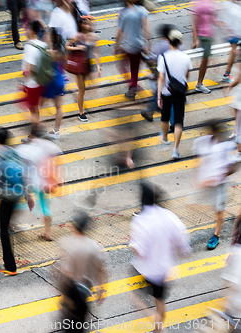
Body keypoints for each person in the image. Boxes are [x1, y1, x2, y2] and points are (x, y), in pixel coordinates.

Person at [130, 183, 191, 332]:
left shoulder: (140, 221)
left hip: (146, 270)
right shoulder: (169, 216)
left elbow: (140, 252)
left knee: (135, 299)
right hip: (165, 270)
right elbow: (184, 244)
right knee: (160, 301)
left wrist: (132, 244)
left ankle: (157, 326)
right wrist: (181, 250)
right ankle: (158, 328)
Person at [0, 128, 35, 276]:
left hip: (7, 196)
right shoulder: (13, 152)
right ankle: (11, 223)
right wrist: (29, 195)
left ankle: (10, 266)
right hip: (17, 194)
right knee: (5, 220)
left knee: (3, 230)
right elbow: (24, 173)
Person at [59, 211, 107, 331]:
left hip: (70, 289)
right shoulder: (95, 247)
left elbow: (64, 273)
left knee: (69, 323)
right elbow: (100, 270)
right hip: (85, 290)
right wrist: (101, 289)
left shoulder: (67, 244)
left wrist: (64, 296)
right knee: (80, 322)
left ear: (74, 227)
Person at [193, 122, 237, 250]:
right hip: (208, 183)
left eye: (211, 132)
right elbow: (202, 161)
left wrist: (219, 176)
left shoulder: (225, 147)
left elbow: (233, 166)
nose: (209, 135)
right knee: (206, 207)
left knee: (219, 210)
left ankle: (216, 236)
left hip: (219, 184)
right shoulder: (206, 144)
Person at [16, 126, 62, 241]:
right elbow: (58, 154)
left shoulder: (23, 148)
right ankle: (47, 233)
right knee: (45, 207)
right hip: (43, 183)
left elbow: (19, 165)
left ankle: (11, 220)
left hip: (29, 182)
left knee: (18, 203)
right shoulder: (47, 146)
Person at [157, 29, 192, 159]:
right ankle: (175, 150)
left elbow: (161, 78)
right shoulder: (186, 57)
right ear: (180, 42)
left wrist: (159, 95)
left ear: (169, 41)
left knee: (165, 117)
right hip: (180, 92)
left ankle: (165, 139)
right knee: (178, 121)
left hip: (167, 91)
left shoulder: (163, 57)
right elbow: (187, 75)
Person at [66, 18, 101, 122]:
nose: (89, 26)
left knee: (92, 88)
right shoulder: (77, 36)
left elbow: (96, 53)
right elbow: (66, 46)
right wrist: (78, 48)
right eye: (86, 24)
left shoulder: (94, 37)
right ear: (82, 25)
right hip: (78, 65)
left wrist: (99, 67)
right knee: (82, 90)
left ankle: (76, 94)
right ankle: (81, 113)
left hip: (87, 65)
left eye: (90, 24)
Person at [114, 0, 149, 100]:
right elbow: (146, 29)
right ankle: (132, 87)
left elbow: (120, 31)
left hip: (128, 46)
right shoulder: (142, 10)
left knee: (121, 65)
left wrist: (116, 45)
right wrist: (146, 44)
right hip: (139, 45)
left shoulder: (124, 13)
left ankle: (133, 86)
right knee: (135, 69)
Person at [21, 20, 49, 143]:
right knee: (36, 110)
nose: (25, 31)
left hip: (32, 84)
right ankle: (39, 130)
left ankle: (33, 136)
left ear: (31, 30)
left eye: (27, 28)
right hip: (42, 81)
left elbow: (29, 69)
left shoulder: (30, 47)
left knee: (33, 112)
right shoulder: (42, 44)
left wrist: (24, 82)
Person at [191, 0, 218, 94]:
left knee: (205, 60)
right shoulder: (200, 4)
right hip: (203, 36)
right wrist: (195, 39)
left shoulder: (209, 3)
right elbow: (194, 23)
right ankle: (199, 84)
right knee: (205, 60)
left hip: (208, 35)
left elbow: (212, 19)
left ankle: (199, 83)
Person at [43, 28, 65, 139]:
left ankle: (38, 130)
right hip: (60, 80)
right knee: (59, 107)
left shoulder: (47, 52)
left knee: (38, 105)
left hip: (50, 81)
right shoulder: (60, 51)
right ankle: (56, 131)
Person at [218, 0, 241, 83]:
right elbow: (219, 20)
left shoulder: (236, 4)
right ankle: (227, 74)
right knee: (234, 53)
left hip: (237, 32)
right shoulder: (226, 5)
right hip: (232, 33)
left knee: (235, 53)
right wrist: (227, 29)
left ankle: (227, 74)